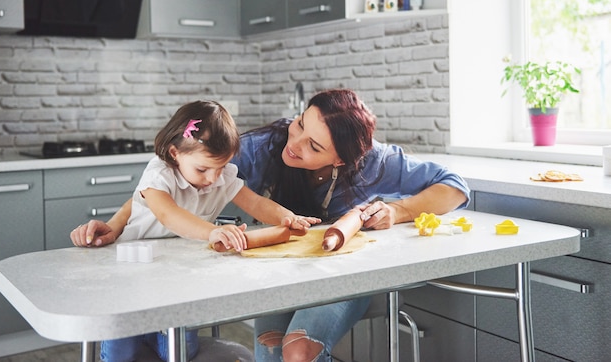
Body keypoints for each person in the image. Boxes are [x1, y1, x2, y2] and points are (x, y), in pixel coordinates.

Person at [71, 89, 470, 362]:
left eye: (314, 146)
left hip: (340, 272)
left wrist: (398, 211)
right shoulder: (258, 149)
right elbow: (164, 193)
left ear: (342, 161)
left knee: (297, 351)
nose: (294, 142)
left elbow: (454, 187)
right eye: (299, 125)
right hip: (277, 273)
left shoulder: (376, 162)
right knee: (269, 348)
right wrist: (116, 224)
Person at [81, 100, 320, 362]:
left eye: (220, 168)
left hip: (179, 275)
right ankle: (132, 337)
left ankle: (151, 334)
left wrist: (288, 218)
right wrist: (212, 232)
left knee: (182, 348)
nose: (212, 179)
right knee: (123, 352)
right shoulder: (159, 174)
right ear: (175, 153)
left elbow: (255, 203)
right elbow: (168, 215)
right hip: (134, 273)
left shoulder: (221, 175)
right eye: (203, 169)